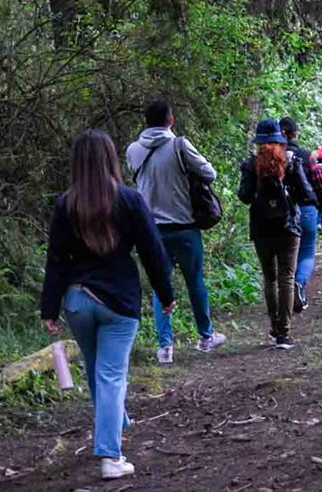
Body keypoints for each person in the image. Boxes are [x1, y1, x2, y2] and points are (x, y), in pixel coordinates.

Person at [41, 130, 176, 480]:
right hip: (118, 302)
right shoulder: (129, 201)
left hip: (77, 301)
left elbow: (56, 259)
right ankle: (111, 456)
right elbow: (153, 252)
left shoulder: (66, 204)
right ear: (110, 159)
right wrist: (166, 293)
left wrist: (49, 308)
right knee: (112, 375)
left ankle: (114, 422)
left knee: (97, 371)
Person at [126, 99, 225, 365]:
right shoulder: (179, 145)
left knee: (161, 286)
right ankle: (206, 336)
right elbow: (209, 173)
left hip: (151, 231)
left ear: (146, 122)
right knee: (195, 282)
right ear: (171, 120)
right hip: (184, 227)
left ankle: (165, 347)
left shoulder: (133, 150)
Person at [238, 119, 316, 349]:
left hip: (261, 228)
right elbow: (307, 193)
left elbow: (244, 196)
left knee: (269, 278)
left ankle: (273, 328)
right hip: (288, 227)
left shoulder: (251, 165)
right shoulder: (291, 161)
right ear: (280, 139)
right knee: (287, 277)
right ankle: (284, 333)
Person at [280, 116, 318, 313]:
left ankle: (284, 294)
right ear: (296, 134)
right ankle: (300, 283)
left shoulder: (271, 158)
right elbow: (317, 183)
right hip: (306, 210)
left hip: (280, 214)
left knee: (285, 256)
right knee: (307, 252)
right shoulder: (306, 155)